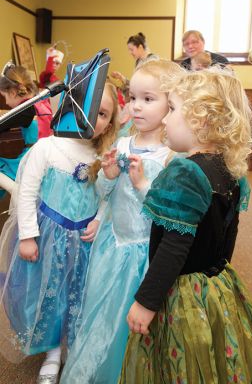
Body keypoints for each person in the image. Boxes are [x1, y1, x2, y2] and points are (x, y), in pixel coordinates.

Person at [119, 67, 252, 383]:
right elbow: (229, 235)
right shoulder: (231, 170)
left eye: (173, 109)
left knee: (181, 361)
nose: (166, 119)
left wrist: (146, 302)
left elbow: (173, 246)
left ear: (201, 121)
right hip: (216, 283)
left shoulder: (185, 172)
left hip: (184, 291)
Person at [60, 59, 183, 384]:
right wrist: (111, 177)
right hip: (111, 248)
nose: (137, 107)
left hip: (145, 254)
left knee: (135, 323)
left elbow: (168, 212)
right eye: (133, 98)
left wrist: (143, 185)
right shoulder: (121, 144)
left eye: (148, 98)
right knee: (101, 315)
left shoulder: (172, 157)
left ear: (170, 104)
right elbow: (104, 193)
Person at [0, 82, 119, 384]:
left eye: (103, 113)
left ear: (110, 122)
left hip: (84, 241)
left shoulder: (102, 155)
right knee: (49, 297)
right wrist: (27, 235)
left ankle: (73, 346)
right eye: (90, 108)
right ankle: (52, 353)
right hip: (48, 239)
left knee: (78, 296)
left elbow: (107, 196)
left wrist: (100, 218)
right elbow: (26, 193)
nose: (96, 119)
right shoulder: (48, 147)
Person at [0, 63, 53, 197]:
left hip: (30, 161)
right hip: (46, 158)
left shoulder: (25, 110)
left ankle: (16, 195)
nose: (5, 102)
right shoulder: (41, 101)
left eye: (5, 96)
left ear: (12, 92)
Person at [111, 32, 158, 96]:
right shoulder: (138, 61)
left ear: (140, 47)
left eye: (131, 49)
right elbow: (136, 84)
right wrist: (121, 77)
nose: (130, 52)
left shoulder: (153, 60)